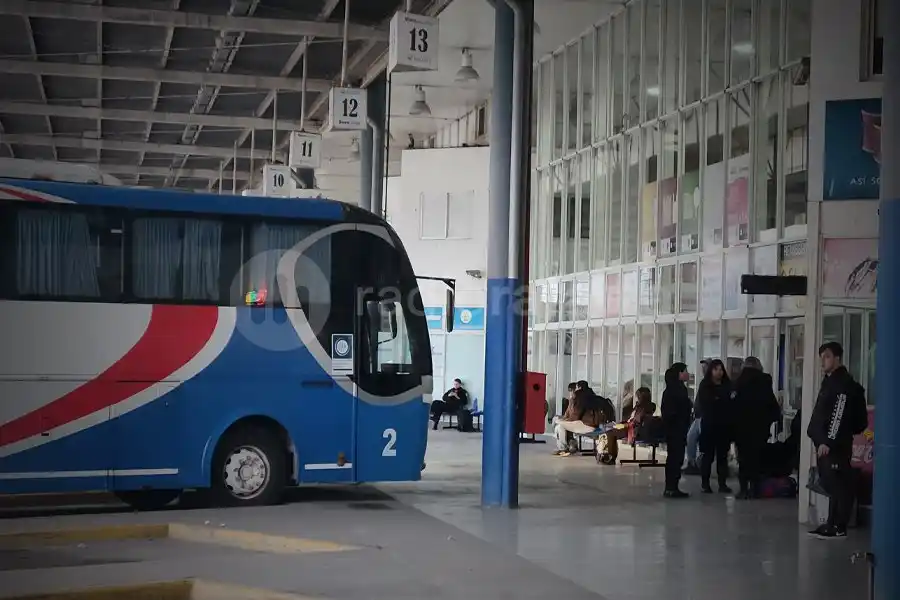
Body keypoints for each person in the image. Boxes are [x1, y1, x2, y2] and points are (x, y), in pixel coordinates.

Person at [807, 342, 868, 539]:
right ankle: (831, 523)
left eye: (827, 356)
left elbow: (838, 416)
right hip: (826, 442)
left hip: (834, 445)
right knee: (831, 484)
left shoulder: (843, 385)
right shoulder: (830, 381)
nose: (823, 361)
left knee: (839, 484)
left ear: (837, 358)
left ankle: (839, 526)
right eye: (821, 357)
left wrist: (828, 441)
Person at [731, 357, 780, 499]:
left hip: (741, 430)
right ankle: (755, 489)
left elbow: (732, 407)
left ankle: (743, 490)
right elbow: (772, 406)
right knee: (757, 459)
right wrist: (770, 421)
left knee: (743, 460)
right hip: (760, 429)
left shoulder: (738, 382)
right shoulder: (764, 382)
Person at [695, 359, 734, 494]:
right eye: (716, 369)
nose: (719, 372)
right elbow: (706, 403)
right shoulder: (705, 385)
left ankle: (722, 483)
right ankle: (705, 484)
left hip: (724, 426)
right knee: (708, 456)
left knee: (722, 457)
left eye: (721, 369)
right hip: (710, 425)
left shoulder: (727, 385)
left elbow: (730, 402)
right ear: (711, 371)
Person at [661, 363, 693, 498]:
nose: (687, 373)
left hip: (673, 430)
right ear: (679, 374)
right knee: (676, 458)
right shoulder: (678, 391)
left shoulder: (670, 390)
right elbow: (678, 411)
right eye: (685, 371)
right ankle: (672, 487)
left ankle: (671, 486)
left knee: (673, 458)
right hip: (677, 429)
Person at [553, 387, 604, 456]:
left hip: (586, 426)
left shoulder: (581, 402)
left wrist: (561, 421)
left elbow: (574, 417)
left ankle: (563, 448)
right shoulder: (594, 400)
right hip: (591, 426)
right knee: (560, 426)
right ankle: (568, 446)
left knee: (559, 425)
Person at [684, 360, 710, 475]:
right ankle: (692, 463)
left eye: (706, 367)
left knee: (696, 439)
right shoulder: (704, 382)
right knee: (691, 438)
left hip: (705, 417)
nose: (703, 369)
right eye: (703, 367)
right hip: (698, 417)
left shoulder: (709, 383)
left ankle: (698, 464)